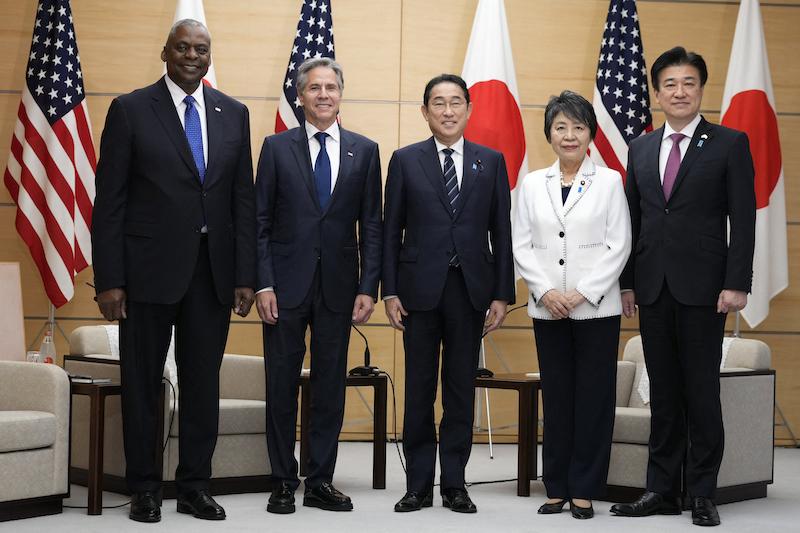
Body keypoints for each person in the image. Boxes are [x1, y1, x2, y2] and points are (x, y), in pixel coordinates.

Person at [91, 19, 255, 523]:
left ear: (210, 57)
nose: (191, 55)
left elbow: (241, 201)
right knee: (142, 382)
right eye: (182, 47)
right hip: (145, 275)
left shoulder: (234, 113)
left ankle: (194, 486)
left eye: (200, 49)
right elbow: (110, 203)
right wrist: (110, 279)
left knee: (203, 381)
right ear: (165, 52)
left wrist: (244, 275)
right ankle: (144, 487)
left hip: (212, 275)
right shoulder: (131, 109)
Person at [610, 47, 756, 528]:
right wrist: (628, 283)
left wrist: (737, 284)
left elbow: (744, 219)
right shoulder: (641, 147)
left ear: (700, 89)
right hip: (652, 286)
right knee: (664, 392)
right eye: (669, 84)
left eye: (688, 83)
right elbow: (632, 220)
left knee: (700, 391)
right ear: (656, 92)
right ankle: (660, 489)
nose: (679, 92)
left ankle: (702, 492)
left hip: (705, 288)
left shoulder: (729, 144)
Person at [255, 57, 382, 514]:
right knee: (281, 385)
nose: (323, 94)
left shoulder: (365, 151)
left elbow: (372, 226)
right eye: (314, 88)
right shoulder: (275, 147)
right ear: (300, 96)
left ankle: (321, 479)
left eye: (331, 87)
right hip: (284, 289)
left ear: (340, 95)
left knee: (330, 386)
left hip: (339, 289)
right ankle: (282, 480)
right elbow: (260, 223)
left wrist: (369, 286)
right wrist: (263, 283)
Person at [383, 74, 514, 514]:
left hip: (470, 290)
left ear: (469, 109)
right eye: (438, 103)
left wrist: (502, 293)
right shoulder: (405, 160)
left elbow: (502, 231)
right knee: (419, 387)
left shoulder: (491, 162)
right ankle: (418, 484)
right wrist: (389, 290)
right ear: (425, 112)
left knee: (460, 389)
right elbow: (389, 232)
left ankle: (455, 482)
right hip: (418, 291)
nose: (447, 110)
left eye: (456, 102)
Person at [513, 90, 631, 520]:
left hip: (596, 308)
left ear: (590, 134)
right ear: (549, 133)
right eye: (561, 126)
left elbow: (619, 244)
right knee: (558, 397)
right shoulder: (532, 183)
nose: (569, 135)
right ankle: (556, 486)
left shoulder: (610, 181)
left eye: (578, 127)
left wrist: (581, 292)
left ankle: (584, 488)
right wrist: (546, 292)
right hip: (548, 309)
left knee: (593, 399)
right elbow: (521, 244)